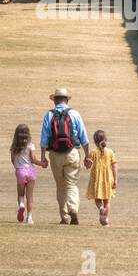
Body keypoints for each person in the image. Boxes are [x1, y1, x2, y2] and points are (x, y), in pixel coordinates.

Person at [40, 87, 91, 225]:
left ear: (55, 100)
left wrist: (42, 157)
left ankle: (65, 217)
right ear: (67, 100)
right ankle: (73, 208)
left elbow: (44, 138)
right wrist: (87, 156)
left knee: (60, 185)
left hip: (55, 154)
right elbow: (84, 137)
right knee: (71, 184)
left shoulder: (49, 115)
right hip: (72, 152)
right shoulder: (75, 114)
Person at [10, 124, 45, 224]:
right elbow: (33, 159)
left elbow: (12, 160)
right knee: (30, 196)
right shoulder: (30, 145)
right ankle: (29, 217)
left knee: (21, 194)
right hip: (30, 171)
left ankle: (21, 204)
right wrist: (42, 163)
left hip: (20, 171)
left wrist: (17, 166)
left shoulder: (14, 146)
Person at [86, 129, 117, 227]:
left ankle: (100, 209)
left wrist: (86, 161)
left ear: (95, 141)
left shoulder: (93, 152)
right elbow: (114, 166)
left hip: (96, 179)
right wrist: (115, 179)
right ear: (105, 140)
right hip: (108, 179)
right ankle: (105, 220)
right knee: (107, 200)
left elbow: (88, 166)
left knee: (97, 199)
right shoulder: (111, 152)